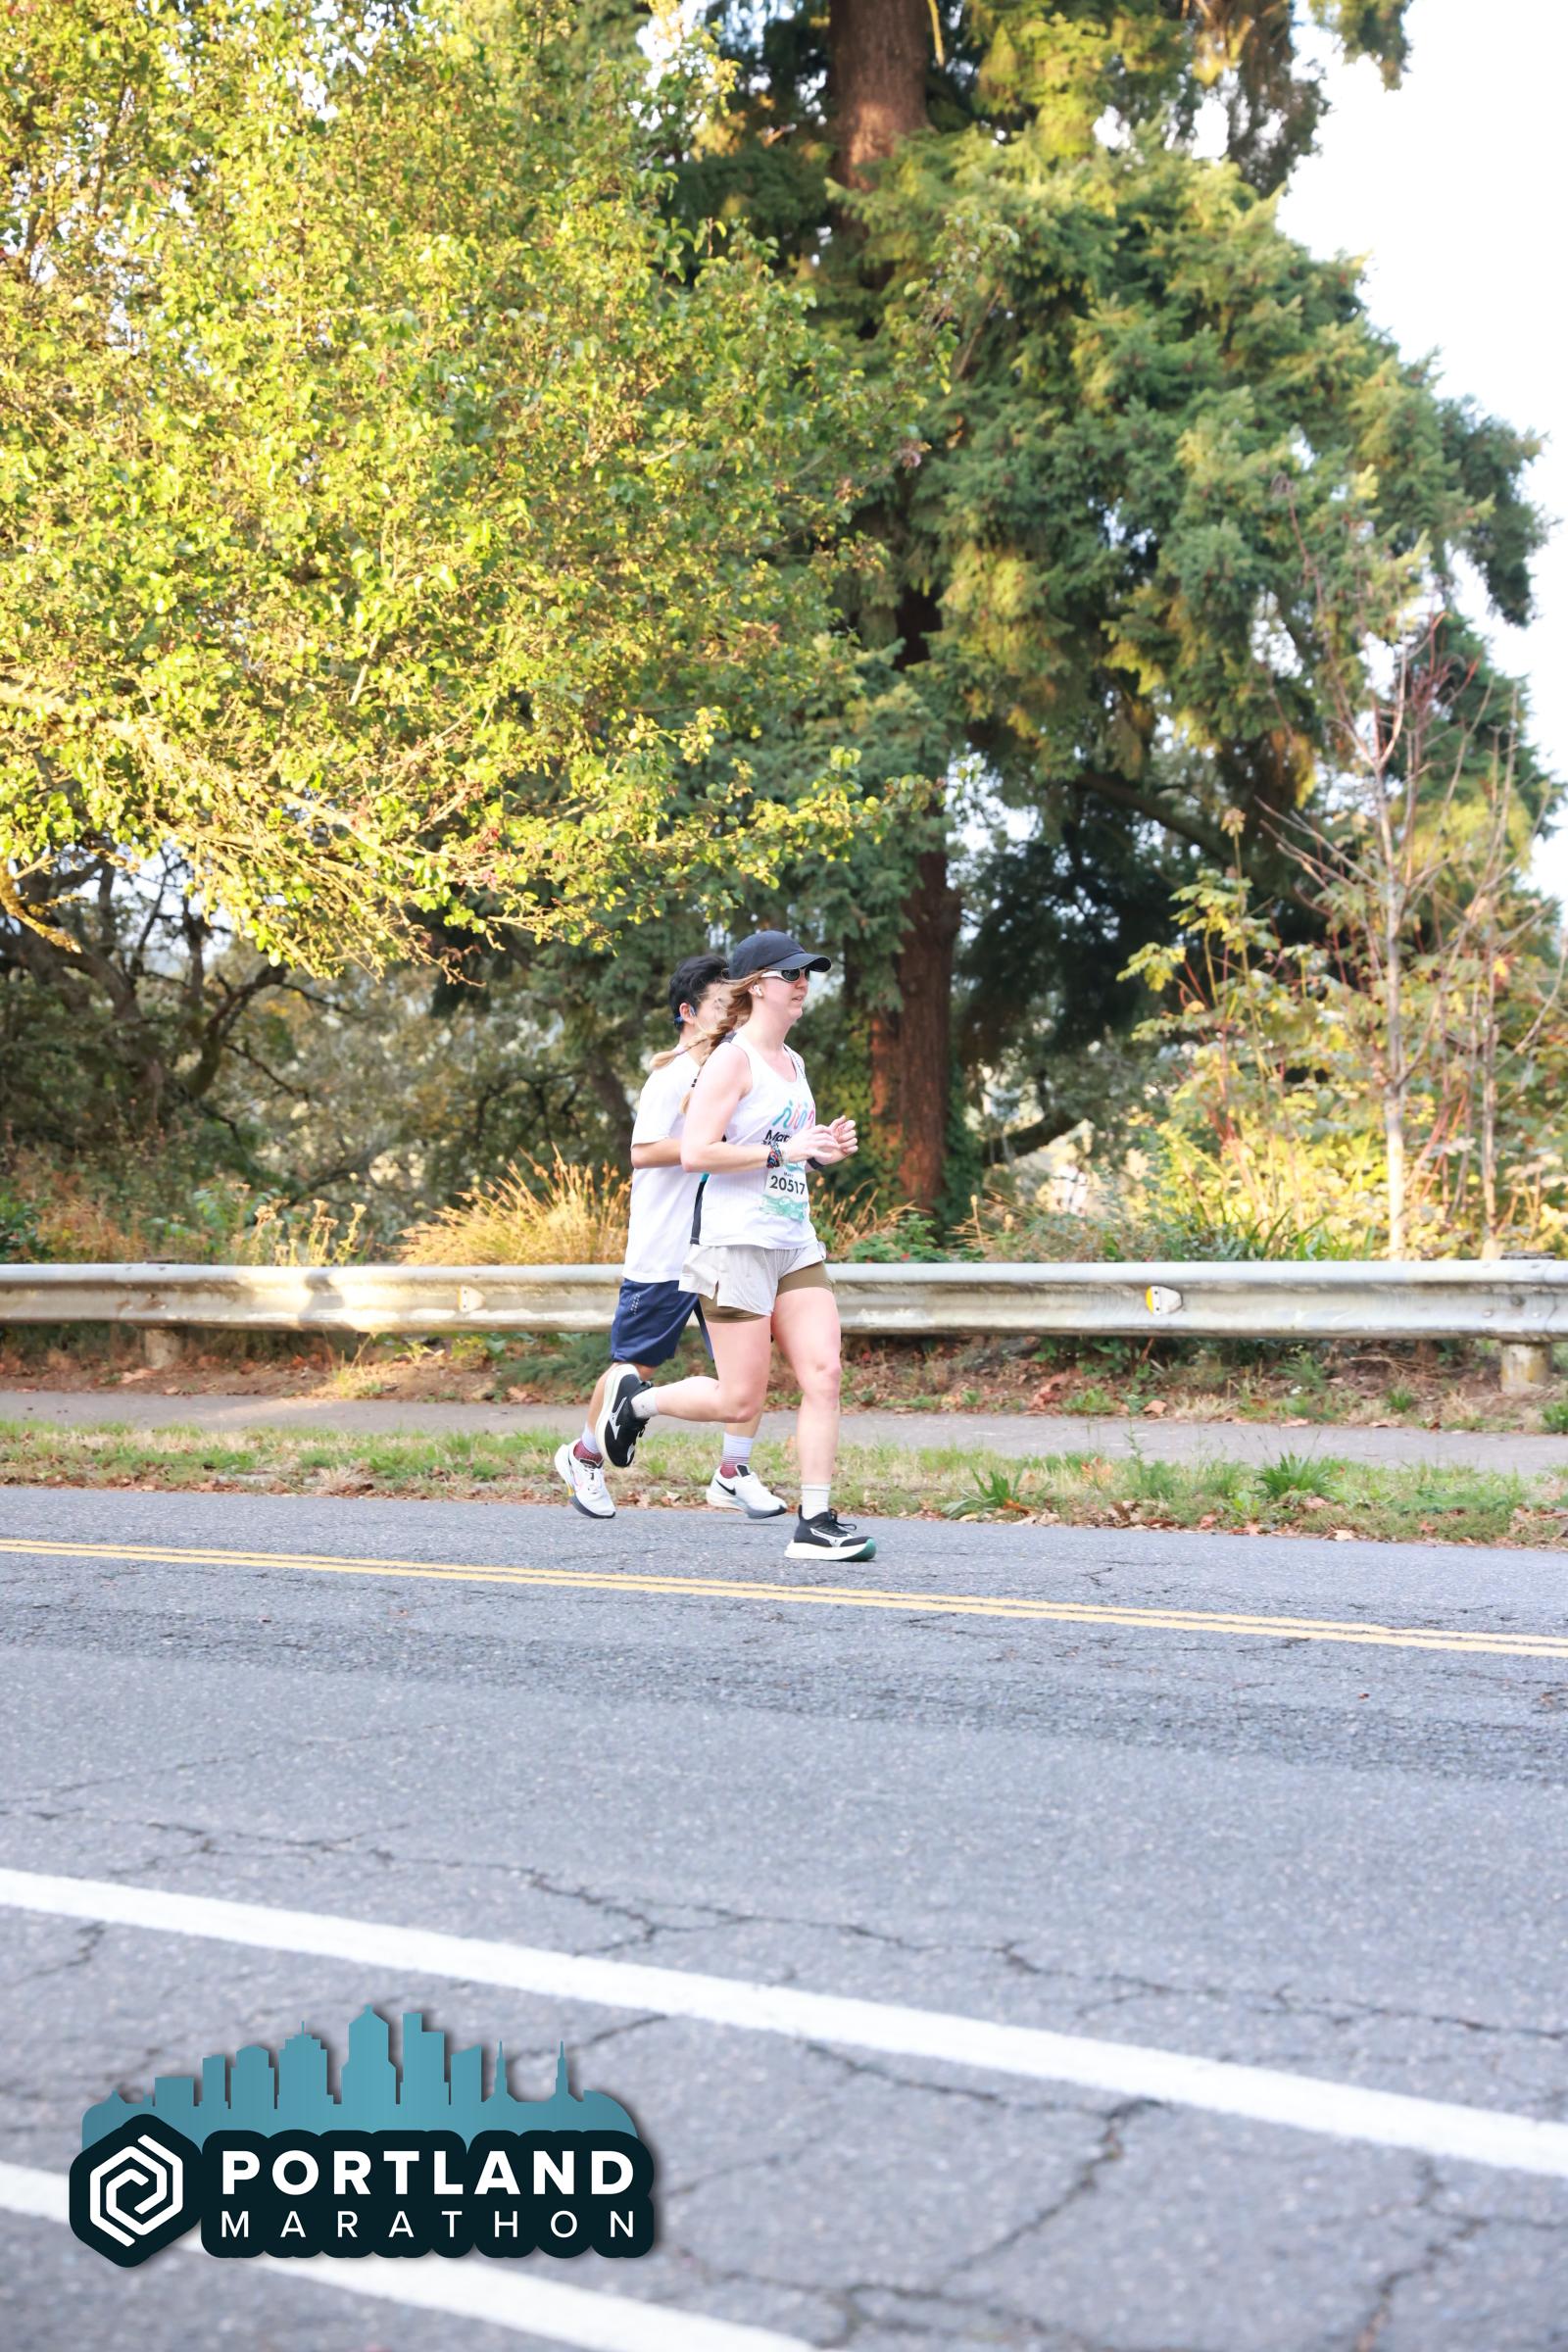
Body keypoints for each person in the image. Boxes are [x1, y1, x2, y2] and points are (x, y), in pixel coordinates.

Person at [593, 929, 875, 1563]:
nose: (802, 984)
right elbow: (697, 1152)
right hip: (734, 1244)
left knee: (825, 1374)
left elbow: (786, 1151)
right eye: (790, 974)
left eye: (807, 974)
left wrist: (821, 1150)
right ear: (757, 987)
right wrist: (783, 1151)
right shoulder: (731, 1060)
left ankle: (816, 1520)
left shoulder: (793, 1063)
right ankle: (638, 1401)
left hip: (793, 1241)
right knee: (740, 1398)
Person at [554, 953, 787, 1523]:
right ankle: (584, 1456)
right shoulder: (673, 1075)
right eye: (720, 1004)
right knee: (636, 1366)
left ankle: (733, 1469)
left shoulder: (737, 1069)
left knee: (750, 1365)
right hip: (666, 1249)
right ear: (688, 1012)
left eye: (736, 1003)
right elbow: (641, 1152)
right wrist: (707, 1147)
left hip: (725, 1242)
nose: (732, 1014)